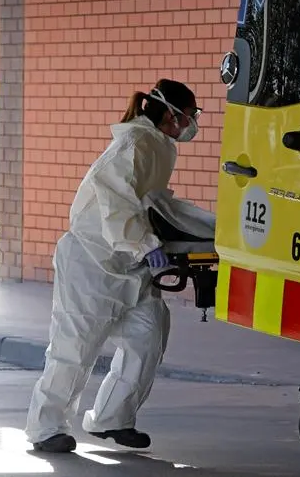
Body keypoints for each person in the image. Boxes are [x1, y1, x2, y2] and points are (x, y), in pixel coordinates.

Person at [24, 79, 202, 453]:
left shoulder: (158, 146)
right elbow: (115, 200)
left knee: (148, 335)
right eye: (188, 116)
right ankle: (46, 428)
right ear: (169, 113)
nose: (190, 124)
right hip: (92, 261)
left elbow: (152, 203)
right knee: (74, 348)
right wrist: (145, 245)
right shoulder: (135, 143)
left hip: (129, 264)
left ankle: (111, 419)